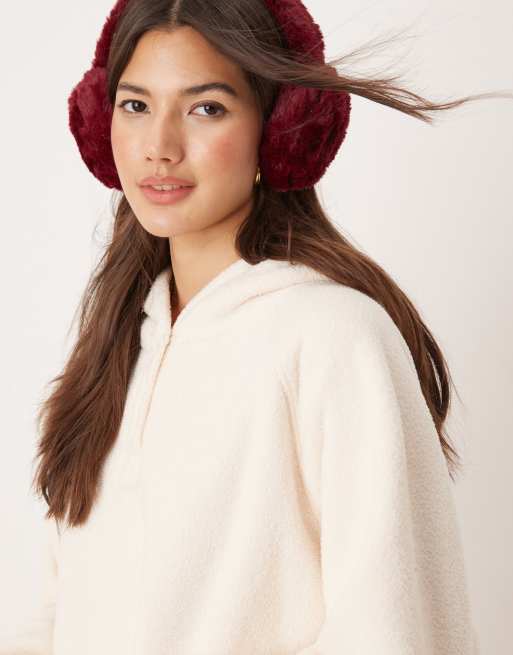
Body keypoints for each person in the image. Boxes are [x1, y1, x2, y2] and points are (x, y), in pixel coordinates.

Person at [4, 0, 508, 653]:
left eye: (206, 108)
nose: (159, 147)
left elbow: (391, 632)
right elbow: (64, 613)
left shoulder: (333, 336)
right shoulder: (115, 346)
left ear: (280, 130)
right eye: (135, 105)